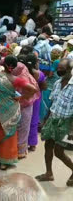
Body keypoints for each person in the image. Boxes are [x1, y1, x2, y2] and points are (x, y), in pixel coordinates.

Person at [0, 56, 37, 170]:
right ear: (15, 67)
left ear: (4, 64)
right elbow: (33, 89)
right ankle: (4, 162)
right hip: (10, 110)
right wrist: (20, 98)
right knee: (8, 135)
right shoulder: (16, 79)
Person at [36, 59, 73, 187]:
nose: (60, 71)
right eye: (59, 69)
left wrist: (71, 131)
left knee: (59, 152)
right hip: (53, 119)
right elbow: (53, 101)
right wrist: (45, 120)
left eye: (63, 69)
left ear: (70, 70)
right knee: (48, 146)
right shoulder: (57, 82)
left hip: (66, 123)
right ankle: (49, 173)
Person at [11, 58, 39, 159]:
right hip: (20, 104)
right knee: (20, 127)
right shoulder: (24, 75)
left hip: (25, 104)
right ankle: (17, 149)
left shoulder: (22, 78)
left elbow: (34, 90)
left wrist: (22, 97)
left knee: (23, 127)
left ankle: (20, 151)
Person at [21, 54, 47, 152]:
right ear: (36, 63)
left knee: (22, 120)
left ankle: (21, 143)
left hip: (23, 97)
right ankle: (32, 144)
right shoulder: (39, 74)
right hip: (35, 98)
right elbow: (44, 87)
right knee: (34, 119)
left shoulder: (22, 73)